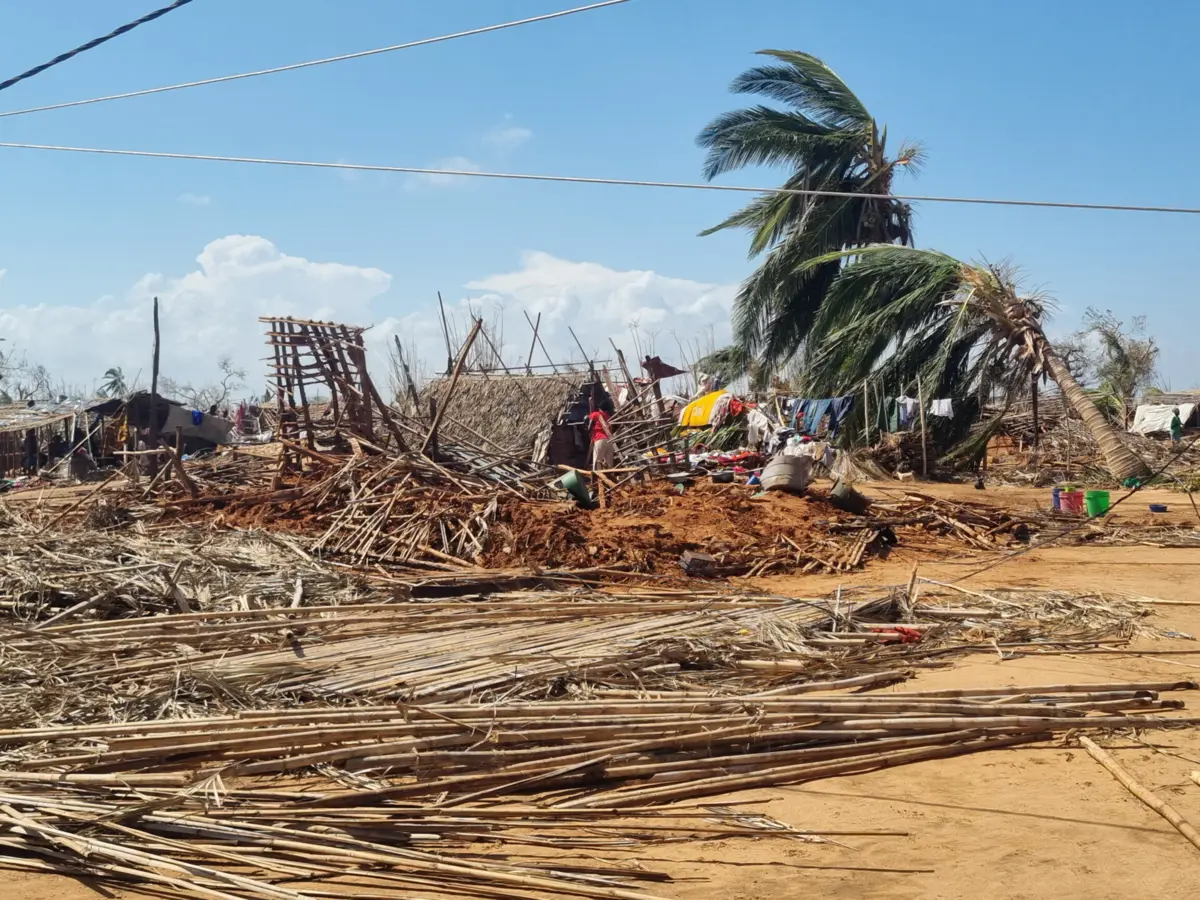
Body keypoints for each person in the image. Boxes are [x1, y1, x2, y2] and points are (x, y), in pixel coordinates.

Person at [587, 406, 614, 470]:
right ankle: (610, 478)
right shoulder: (608, 416)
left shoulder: (596, 414)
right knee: (609, 464)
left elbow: (589, 426)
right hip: (609, 441)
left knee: (597, 463)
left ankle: (597, 478)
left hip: (600, 439)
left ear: (599, 408)